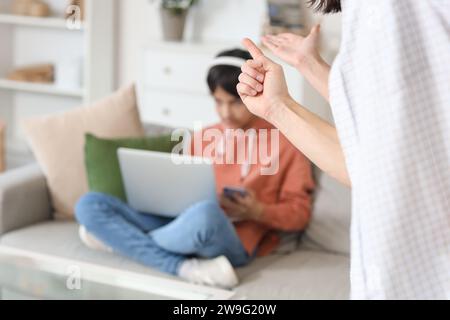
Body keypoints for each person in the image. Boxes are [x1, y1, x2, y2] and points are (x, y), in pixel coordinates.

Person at [237, 0, 449, 299]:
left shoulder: (385, 10)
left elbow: (381, 171)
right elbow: (376, 139)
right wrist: (296, 81)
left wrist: (278, 107)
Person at [75, 49, 315, 289]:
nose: (225, 113)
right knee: (90, 204)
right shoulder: (203, 137)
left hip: (230, 236)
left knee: (206, 213)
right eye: (218, 101)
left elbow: (300, 215)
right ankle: (184, 267)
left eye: (235, 103)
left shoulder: (288, 143)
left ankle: (119, 241)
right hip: (179, 225)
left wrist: (258, 211)